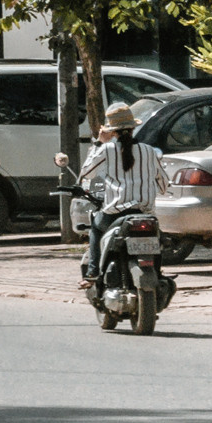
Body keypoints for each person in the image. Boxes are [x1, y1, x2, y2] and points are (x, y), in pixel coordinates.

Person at [68, 103, 162, 289]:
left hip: (115, 214)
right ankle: (158, 273)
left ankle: (93, 273)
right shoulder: (149, 151)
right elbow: (163, 184)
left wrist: (98, 142)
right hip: (145, 213)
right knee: (158, 237)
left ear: (112, 131)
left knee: (95, 226)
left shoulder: (106, 150)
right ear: (133, 127)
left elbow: (86, 174)